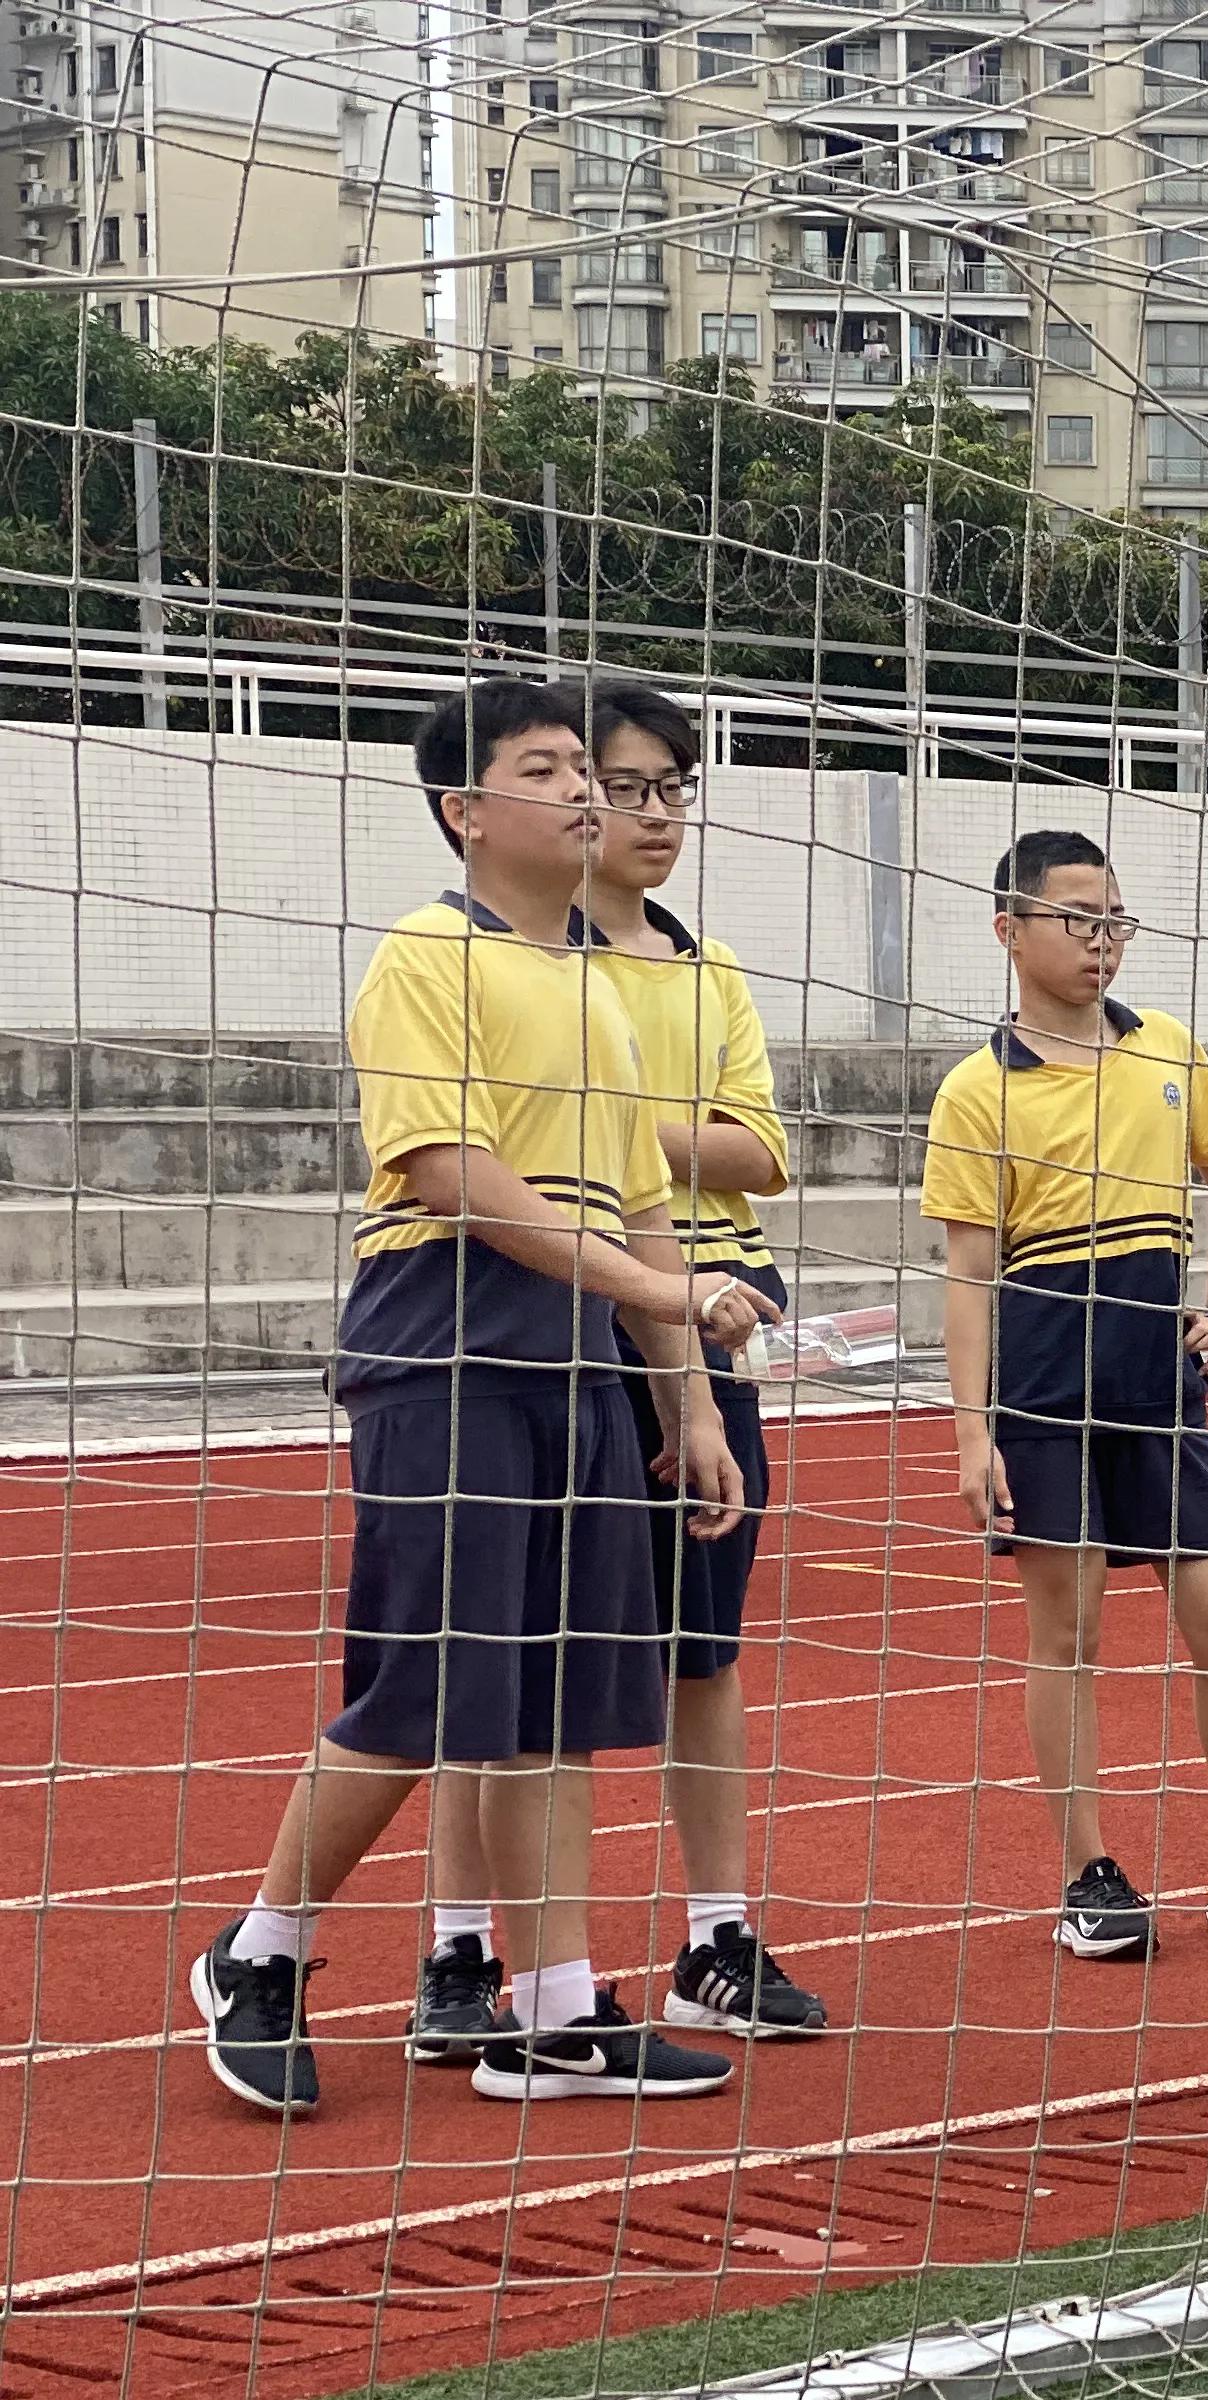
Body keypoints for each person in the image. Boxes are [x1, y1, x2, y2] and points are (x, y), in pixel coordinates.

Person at [191, 676, 771, 2115]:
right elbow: (460, 1182)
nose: (588, 791)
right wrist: (666, 1297)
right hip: (449, 1337)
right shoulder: (421, 955)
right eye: (547, 767)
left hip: (584, 1350)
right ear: (466, 811)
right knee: (430, 1676)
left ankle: (556, 2009)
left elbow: (649, 1211)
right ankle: (262, 1951)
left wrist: (688, 1405)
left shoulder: (604, 988)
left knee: (566, 1691)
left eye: (594, 767)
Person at [409, 684, 832, 2067]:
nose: (643, 812)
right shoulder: (487, 961)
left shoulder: (702, 973)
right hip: (553, 1312)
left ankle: (715, 1933)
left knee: (699, 1649)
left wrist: (618, 1138)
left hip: (697, 1320)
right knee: (508, 1658)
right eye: (616, 781)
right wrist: (627, 1131)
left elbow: (762, 1150)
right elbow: (501, 1157)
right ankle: (464, 1947)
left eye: (667, 789)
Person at [920, 829, 1208, 1959]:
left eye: (1115, 918)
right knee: (1067, 1637)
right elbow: (969, 1281)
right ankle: (1085, 1875)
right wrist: (973, 1436)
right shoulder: (978, 1089)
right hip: (1045, 1386)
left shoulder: (1168, 1048)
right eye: (1078, 918)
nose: (1101, 940)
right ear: (1011, 929)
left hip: (1158, 1387)